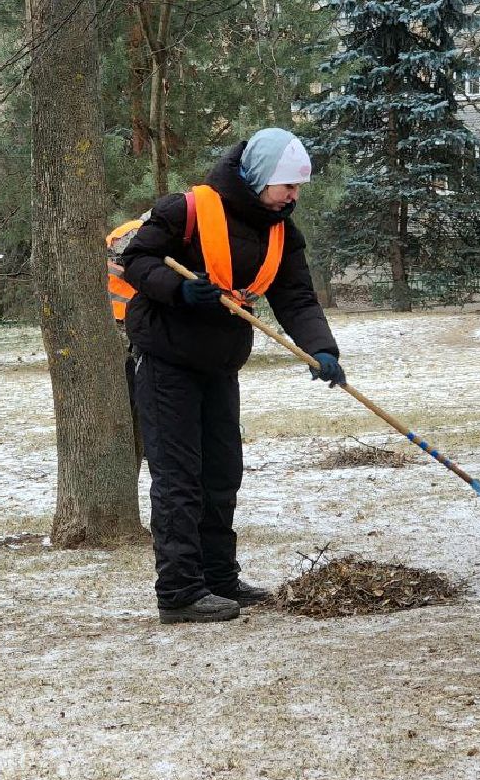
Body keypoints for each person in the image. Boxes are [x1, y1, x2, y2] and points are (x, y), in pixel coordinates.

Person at [120, 128, 346, 624]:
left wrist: (322, 350)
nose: (294, 195)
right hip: (165, 361)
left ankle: (219, 578)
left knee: (221, 474)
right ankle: (180, 592)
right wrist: (180, 292)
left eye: (299, 187)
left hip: (220, 364)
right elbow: (135, 259)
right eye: (288, 184)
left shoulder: (282, 232)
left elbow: (297, 297)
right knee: (179, 478)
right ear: (261, 176)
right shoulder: (187, 210)